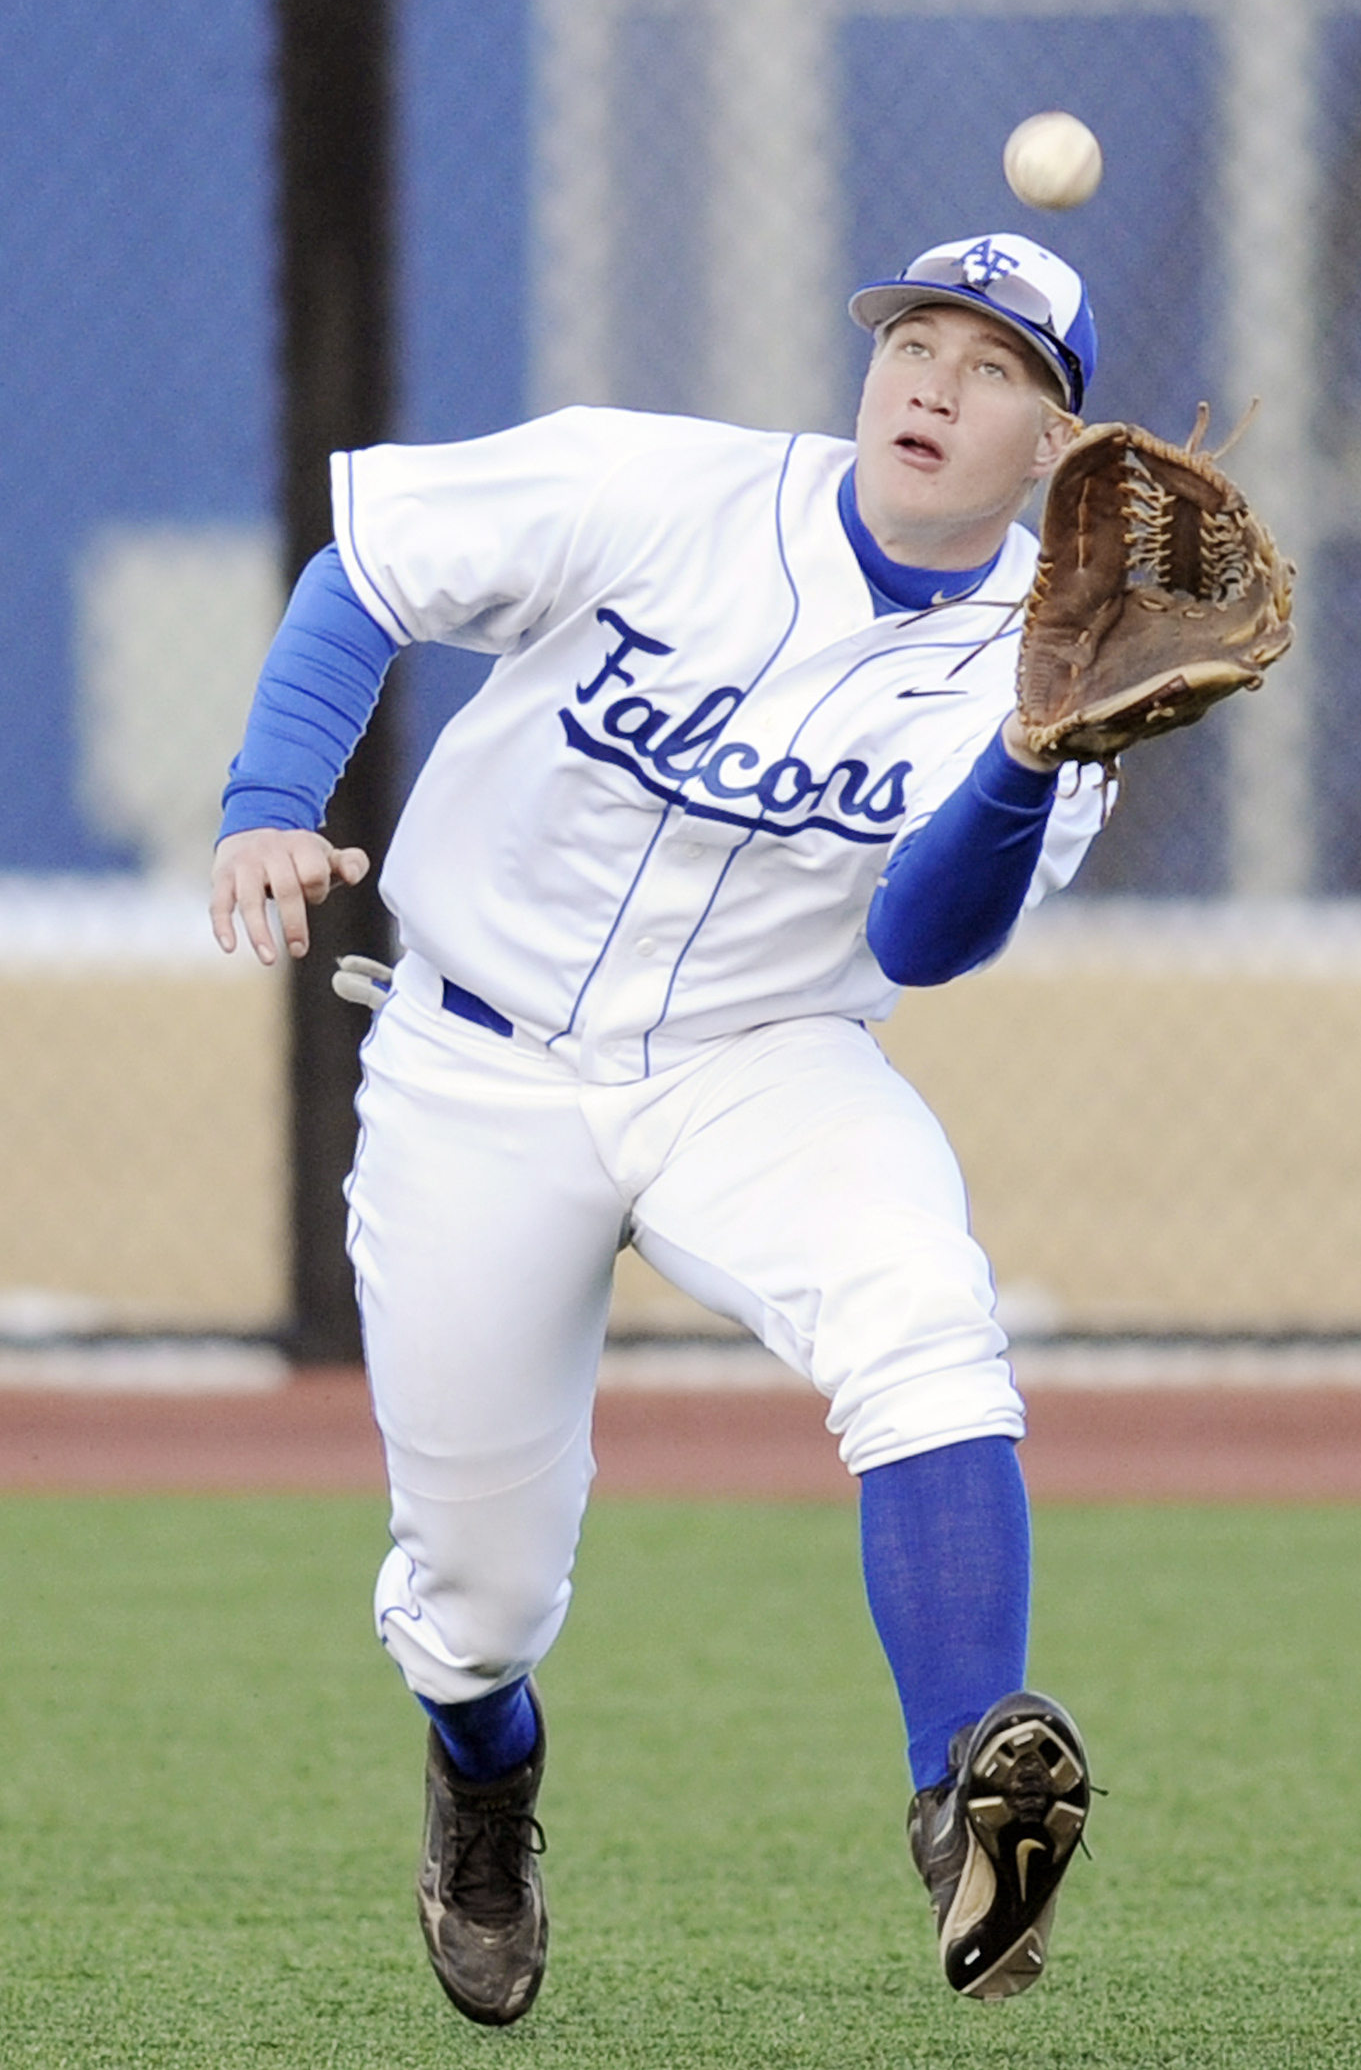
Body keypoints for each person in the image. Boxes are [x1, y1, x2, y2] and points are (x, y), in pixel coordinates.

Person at [212, 231, 1104, 2022]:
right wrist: (266, 801)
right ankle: (482, 1784)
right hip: (479, 1061)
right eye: (915, 341)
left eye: (996, 367)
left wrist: (1022, 750)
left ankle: (970, 1793)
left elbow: (925, 940)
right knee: (475, 1595)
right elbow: (370, 568)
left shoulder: (1061, 665)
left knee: (922, 1314)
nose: (935, 381)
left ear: (1059, 448)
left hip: (759, 1060)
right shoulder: (658, 486)